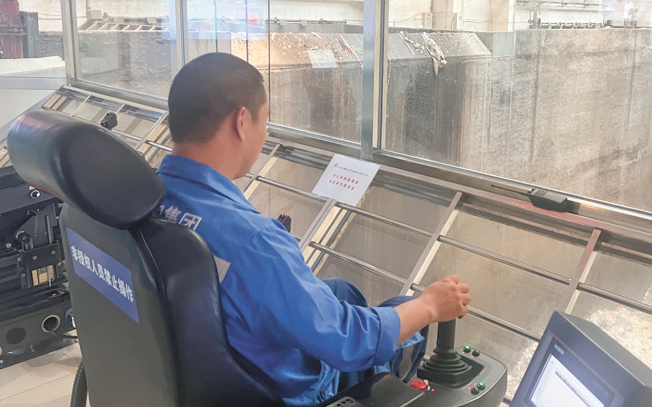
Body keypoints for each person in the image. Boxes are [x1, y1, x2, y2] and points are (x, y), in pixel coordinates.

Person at [155, 52, 472, 406]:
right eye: (265, 121)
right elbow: (347, 341)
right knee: (407, 311)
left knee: (339, 291)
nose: (265, 133)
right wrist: (430, 304)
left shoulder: (151, 196)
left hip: (203, 365)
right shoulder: (255, 244)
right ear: (241, 121)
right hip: (288, 391)